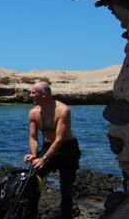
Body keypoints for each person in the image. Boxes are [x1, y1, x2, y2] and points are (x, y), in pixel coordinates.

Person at [23, 81, 81, 219]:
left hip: (67, 149)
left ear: (44, 95)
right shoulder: (33, 113)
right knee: (32, 179)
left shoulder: (63, 110)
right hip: (47, 146)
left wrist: (43, 159)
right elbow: (33, 138)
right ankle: (31, 214)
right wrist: (33, 155)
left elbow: (59, 139)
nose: (30, 95)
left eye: (33, 93)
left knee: (66, 188)